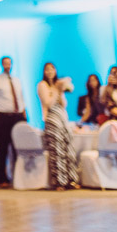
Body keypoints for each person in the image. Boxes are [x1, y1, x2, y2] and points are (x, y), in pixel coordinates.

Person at [37, 62, 79, 190]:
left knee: (68, 148)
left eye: (52, 69)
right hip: (51, 119)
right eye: (47, 70)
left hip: (62, 118)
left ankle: (71, 179)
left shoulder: (58, 85)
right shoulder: (42, 85)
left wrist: (61, 91)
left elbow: (63, 104)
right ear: (44, 72)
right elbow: (48, 103)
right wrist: (56, 89)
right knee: (57, 150)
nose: (50, 72)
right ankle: (59, 181)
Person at [0, 56, 26, 188]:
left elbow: (21, 99)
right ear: (2, 64)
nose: (7, 66)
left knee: (18, 149)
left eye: (9, 63)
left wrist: (24, 116)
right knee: (2, 149)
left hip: (17, 117)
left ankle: (18, 177)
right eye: (5, 63)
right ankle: (2, 179)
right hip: (2, 117)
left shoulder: (17, 80)